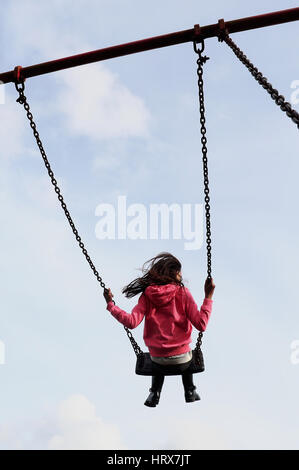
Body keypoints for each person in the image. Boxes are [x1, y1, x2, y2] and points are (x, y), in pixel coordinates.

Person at [103, 252, 215, 407]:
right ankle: (190, 390)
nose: (181, 276)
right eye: (179, 273)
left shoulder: (147, 295)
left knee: (158, 358)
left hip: (157, 360)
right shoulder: (183, 293)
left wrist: (111, 305)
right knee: (187, 354)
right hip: (183, 360)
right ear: (173, 273)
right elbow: (201, 324)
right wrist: (208, 296)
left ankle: (154, 393)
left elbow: (131, 322)